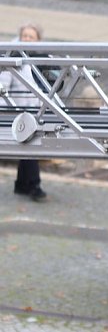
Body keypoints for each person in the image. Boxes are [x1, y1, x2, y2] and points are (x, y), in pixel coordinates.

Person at [0, 23, 48, 201]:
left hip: (35, 111)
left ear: (38, 40)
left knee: (28, 147)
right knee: (31, 147)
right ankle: (34, 185)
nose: (27, 39)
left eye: (31, 36)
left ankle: (21, 185)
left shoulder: (42, 56)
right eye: (25, 35)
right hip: (17, 112)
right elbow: (3, 85)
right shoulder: (11, 55)